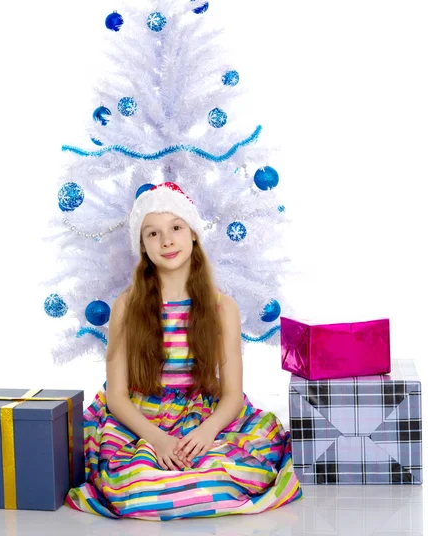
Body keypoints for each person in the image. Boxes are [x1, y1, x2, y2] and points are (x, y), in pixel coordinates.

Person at [65, 181, 302, 520]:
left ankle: (193, 482)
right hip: (141, 417)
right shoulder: (126, 306)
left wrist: (206, 432)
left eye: (176, 227)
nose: (166, 241)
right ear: (143, 247)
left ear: (192, 234)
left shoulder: (223, 307)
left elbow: (233, 394)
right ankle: (159, 482)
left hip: (202, 414)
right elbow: (116, 397)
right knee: (136, 486)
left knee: (233, 474)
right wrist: (159, 441)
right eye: (153, 234)